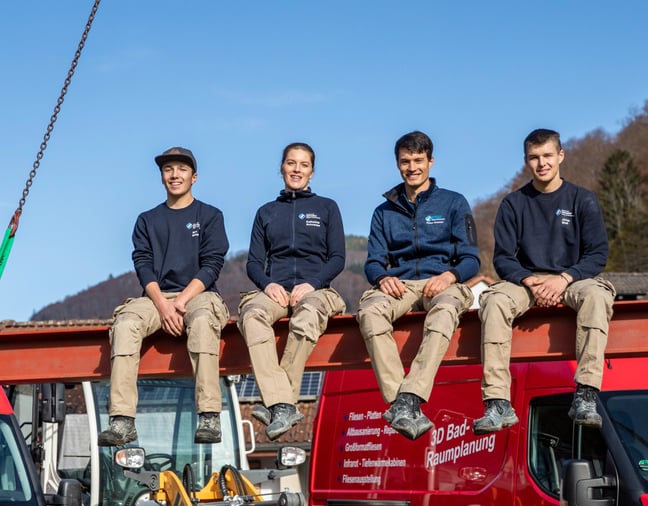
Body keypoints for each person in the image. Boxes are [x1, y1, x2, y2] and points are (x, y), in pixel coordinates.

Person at [473, 128, 615, 435]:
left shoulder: (582, 200)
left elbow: (597, 254)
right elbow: (502, 258)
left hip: (573, 278)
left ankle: (587, 394)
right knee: (494, 300)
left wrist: (564, 279)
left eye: (548, 155)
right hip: (527, 281)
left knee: (598, 296)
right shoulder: (513, 204)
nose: (542, 163)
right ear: (526, 161)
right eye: (535, 158)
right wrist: (531, 281)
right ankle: (497, 401)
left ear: (560, 156)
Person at [98, 147, 230, 446]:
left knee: (202, 322)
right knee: (125, 324)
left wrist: (181, 303)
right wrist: (163, 305)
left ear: (194, 177)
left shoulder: (210, 216)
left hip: (199, 293)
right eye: (168, 169)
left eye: (182, 169)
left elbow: (212, 265)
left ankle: (209, 414)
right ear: (161, 178)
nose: (174, 175)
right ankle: (122, 420)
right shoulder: (147, 220)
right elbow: (143, 266)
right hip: (156, 297)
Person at [358, 130, 480, 441]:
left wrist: (449, 276)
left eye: (418, 160)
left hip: (443, 282)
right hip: (398, 284)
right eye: (405, 161)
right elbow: (372, 262)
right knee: (370, 313)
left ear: (431, 161)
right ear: (397, 164)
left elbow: (470, 259)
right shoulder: (383, 212)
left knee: (444, 313)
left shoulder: (454, 203)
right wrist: (383, 278)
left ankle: (411, 396)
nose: (412, 167)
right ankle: (400, 401)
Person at [238, 142, 346, 441]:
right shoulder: (266, 212)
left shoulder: (327, 207)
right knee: (252, 314)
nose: (297, 169)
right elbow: (253, 263)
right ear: (281, 168)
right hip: (275, 290)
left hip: (316, 289)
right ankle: (283, 404)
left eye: (304, 164)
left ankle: (274, 402)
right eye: (291, 163)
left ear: (312, 172)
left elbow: (338, 258)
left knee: (307, 315)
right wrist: (268, 284)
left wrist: (312, 284)